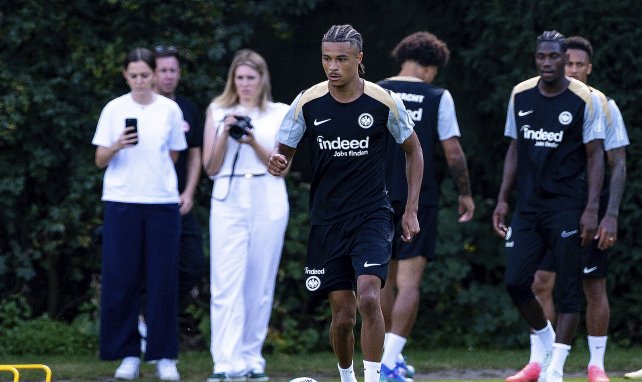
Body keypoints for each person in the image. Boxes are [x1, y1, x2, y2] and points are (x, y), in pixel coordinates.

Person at [268, 24, 424, 382]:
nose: (332, 66)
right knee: (342, 317)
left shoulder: (384, 101)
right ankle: (346, 376)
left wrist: (411, 209)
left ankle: (373, 378)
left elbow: (413, 150)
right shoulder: (307, 101)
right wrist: (278, 162)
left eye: (341, 59)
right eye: (326, 58)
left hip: (372, 215)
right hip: (327, 221)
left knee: (369, 296)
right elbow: (283, 154)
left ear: (359, 59)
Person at [505, 35, 629, 382]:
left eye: (577, 64)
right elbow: (517, 148)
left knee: (592, 284)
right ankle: (538, 362)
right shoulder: (530, 96)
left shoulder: (601, 104)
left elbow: (616, 163)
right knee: (540, 281)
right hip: (546, 208)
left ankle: (596, 366)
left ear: (587, 68)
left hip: (587, 208)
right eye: (567, 62)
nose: (570, 69)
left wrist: (609, 214)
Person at [377, 31, 475, 382]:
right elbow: (453, 152)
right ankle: (389, 361)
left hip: (375, 197)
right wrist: (465, 193)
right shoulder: (437, 95)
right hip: (418, 198)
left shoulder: (375, 90)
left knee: (382, 280)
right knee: (409, 283)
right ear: (431, 66)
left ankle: (386, 360)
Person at [92, 47, 186, 381]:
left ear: (155, 75)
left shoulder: (169, 110)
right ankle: (128, 354)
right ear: (126, 76)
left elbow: (175, 153)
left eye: (146, 75)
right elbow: (100, 159)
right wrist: (117, 144)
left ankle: (163, 356)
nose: (140, 81)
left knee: (162, 279)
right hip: (121, 201)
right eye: (134, 76)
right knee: (121, 279)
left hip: (161, 203)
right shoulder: (113, 109)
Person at [202, 49, 289, 382]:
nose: (245, 84)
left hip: (267, 192)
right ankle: (224, 361)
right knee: (226, 281)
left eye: (251, 77)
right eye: (239, 78)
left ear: (262, 79)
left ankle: (252, 357)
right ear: (232, 79)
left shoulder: (278, 113)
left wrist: (252, 140)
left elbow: (282, 166)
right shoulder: (217, 109)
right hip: (229, 194)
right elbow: (210, 167)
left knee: (260, 281)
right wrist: (225, 131)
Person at [154, 44, 205, 319]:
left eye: (173, 70)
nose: (168, 76)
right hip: (151, 199)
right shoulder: (145, 109)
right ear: (153, 73)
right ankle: (147, 318)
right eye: (163, 70)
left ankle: (157, 317)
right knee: (153, 265)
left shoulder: (187, 109)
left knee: (192, 264)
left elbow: (195, 154)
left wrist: (189, 192)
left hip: (180, 201)